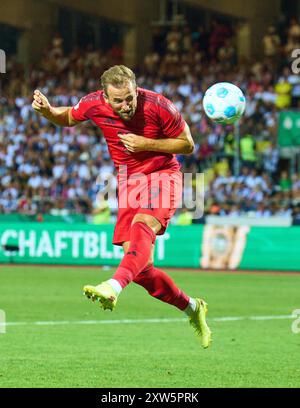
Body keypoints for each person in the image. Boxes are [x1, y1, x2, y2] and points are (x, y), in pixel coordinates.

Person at [32, 65, 211, 348]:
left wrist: (145, 143)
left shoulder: (159, 106)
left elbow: (187, 145)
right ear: (105, 97)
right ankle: (192, 307)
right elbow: (67, 116)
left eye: (130, 98)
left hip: (163, 175)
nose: (126, 105)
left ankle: (113, 286)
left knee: (143, 226)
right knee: (141, 270)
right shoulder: (93, 104)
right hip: (129, 182)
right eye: (119, 100)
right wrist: (47, 111)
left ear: (136, 89)